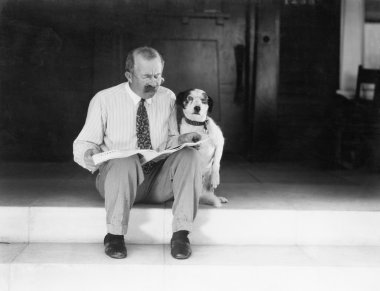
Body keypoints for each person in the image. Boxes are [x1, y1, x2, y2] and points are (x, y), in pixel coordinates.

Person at [73, 46, 202, 260]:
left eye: (158, 75)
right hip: (118, 180)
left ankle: (181, 235)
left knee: (190, 156)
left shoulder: (167, 97)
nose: (154, 82)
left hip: (157, 182)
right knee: (125, 160)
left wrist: (182, 140)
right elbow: (83, 142)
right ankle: (114, 236)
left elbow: (170, 139)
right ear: (128, 75)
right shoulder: (104, 100)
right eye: (146, 76)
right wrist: (89, 152)